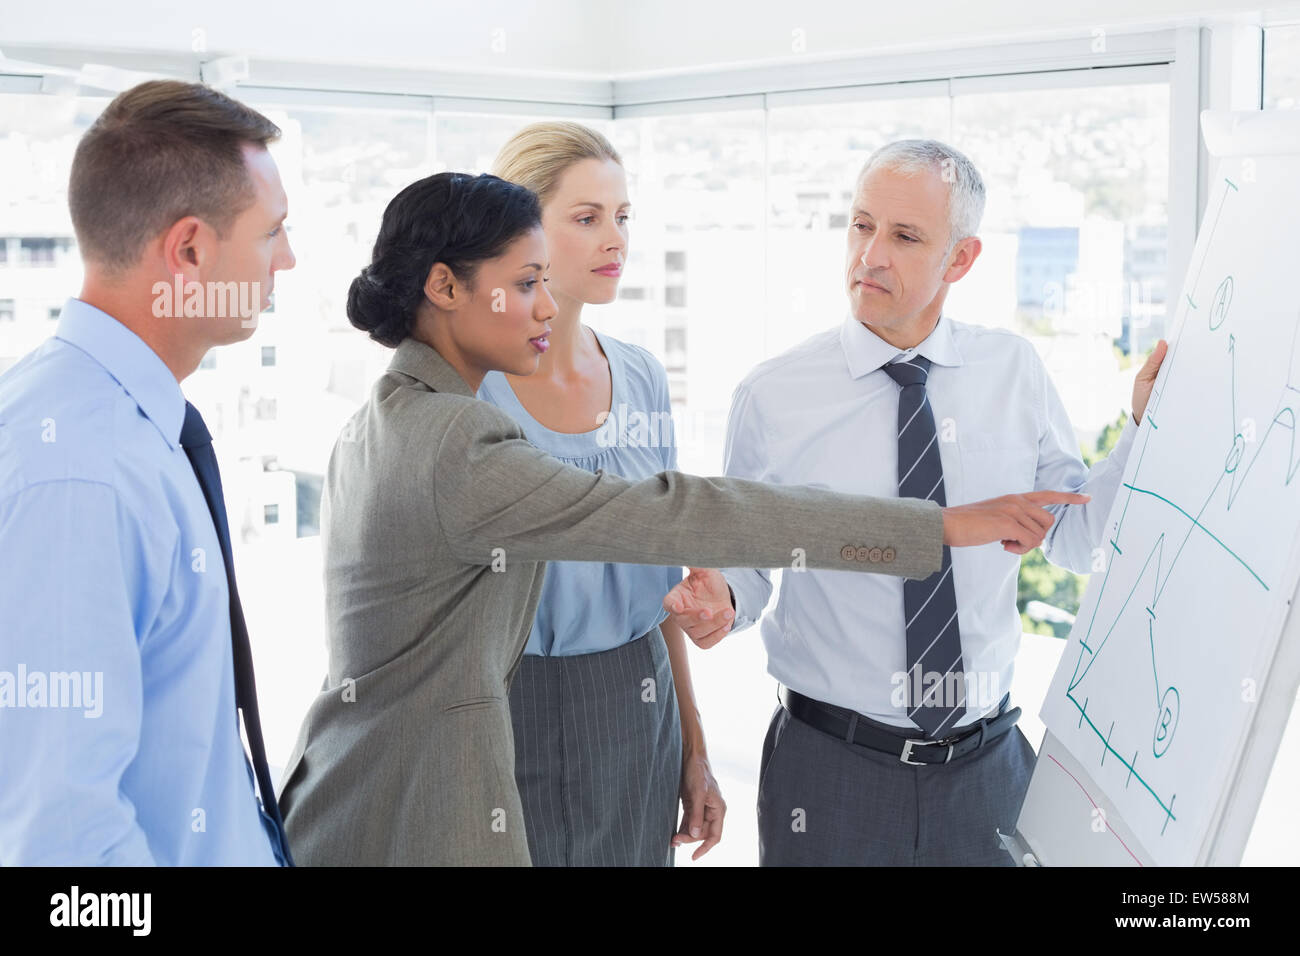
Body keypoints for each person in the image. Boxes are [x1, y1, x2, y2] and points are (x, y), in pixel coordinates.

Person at [275, 169, 1084, 866]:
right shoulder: (457, 437)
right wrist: (935, 528)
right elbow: (670, 515)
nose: (546, 307)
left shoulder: (393, 411)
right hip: (413, 802)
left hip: (364, 786)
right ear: (446, 288)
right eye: (525, 284)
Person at [663, 138, 1167, 866]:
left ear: (960, 260)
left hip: (988, 772)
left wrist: (1144, 432)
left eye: (904, 236)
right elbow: (749, 568)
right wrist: (723, 601)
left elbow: (1079, 539)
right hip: (830, 772)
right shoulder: (774, 396)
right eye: (862, 224)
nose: (870, 254)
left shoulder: (1012, 370)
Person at [0, 80, 297, 865]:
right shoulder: (76, 473)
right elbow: (62, 842)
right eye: (273, 234)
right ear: (190, 250)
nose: (288, 261)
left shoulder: (126, 429)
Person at [478, 122, 722, 866]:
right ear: (523, 231)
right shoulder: (472, 391)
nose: (614, 239)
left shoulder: (642, 375)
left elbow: (667, 584)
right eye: (586, 219)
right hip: (508, 702)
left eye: (622, 217)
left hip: (638, 698)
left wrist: (694, 746)